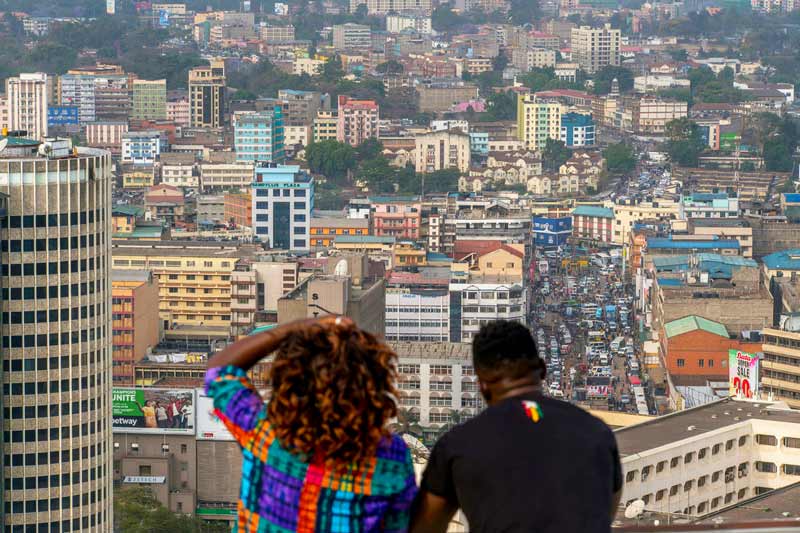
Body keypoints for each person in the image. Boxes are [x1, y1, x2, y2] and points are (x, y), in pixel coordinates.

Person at [205, 316, 417, 533]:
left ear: (288, 381)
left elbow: (219, 370)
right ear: (371, 389)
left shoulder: (265, 433)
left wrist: (296, 327)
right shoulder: (390, 458)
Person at [411, 320, 622, 533]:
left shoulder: (458, 445)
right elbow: (607, 511)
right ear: (542, 369)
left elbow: (426, 526)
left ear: (482, 386)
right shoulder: (597, 433)